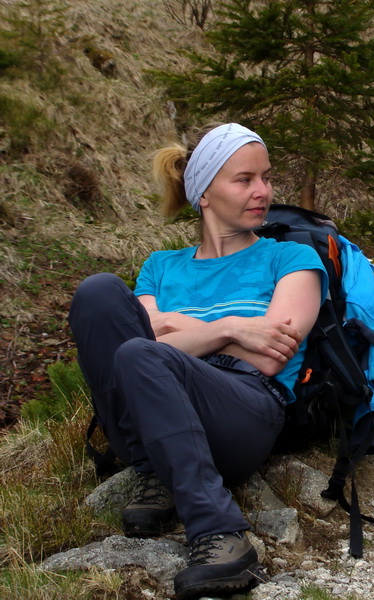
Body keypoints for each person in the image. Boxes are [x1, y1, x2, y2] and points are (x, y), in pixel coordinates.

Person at [68, 123, 327, 600]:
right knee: (99, 292)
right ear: (203, 193)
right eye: (244, 179)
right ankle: (155, 471)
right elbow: (137, 346)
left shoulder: (292, 259)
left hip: (244, 407)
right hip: (153, 406)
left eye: (266, 178)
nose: (263, 191)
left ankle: (219, 533)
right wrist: (231, 327)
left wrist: (173, 328)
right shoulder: (161, 266)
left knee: (142, 354)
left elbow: (269, 357)